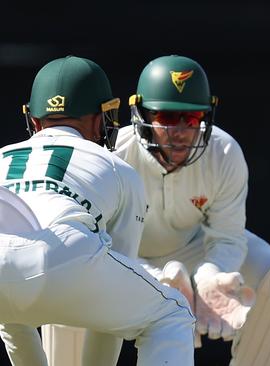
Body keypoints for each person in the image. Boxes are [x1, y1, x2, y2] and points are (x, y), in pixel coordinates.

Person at [42, 55, 270, 366]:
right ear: (142, 115)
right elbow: (96, 242)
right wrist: (157, 278)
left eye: (193, 117)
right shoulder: (113, 155)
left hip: (191, 249)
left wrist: (211, 276)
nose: (181, 131)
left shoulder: (223, 153)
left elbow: (227, 237)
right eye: (168, 118)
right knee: (70, 270)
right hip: (121, 256)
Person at [0, 55, 195, 365]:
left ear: (34, 121)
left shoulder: (2, 156)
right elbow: (112, 314)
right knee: (173, 313)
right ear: (98, 119)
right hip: (65, 254)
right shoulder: (118, 168)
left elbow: (10, 303)